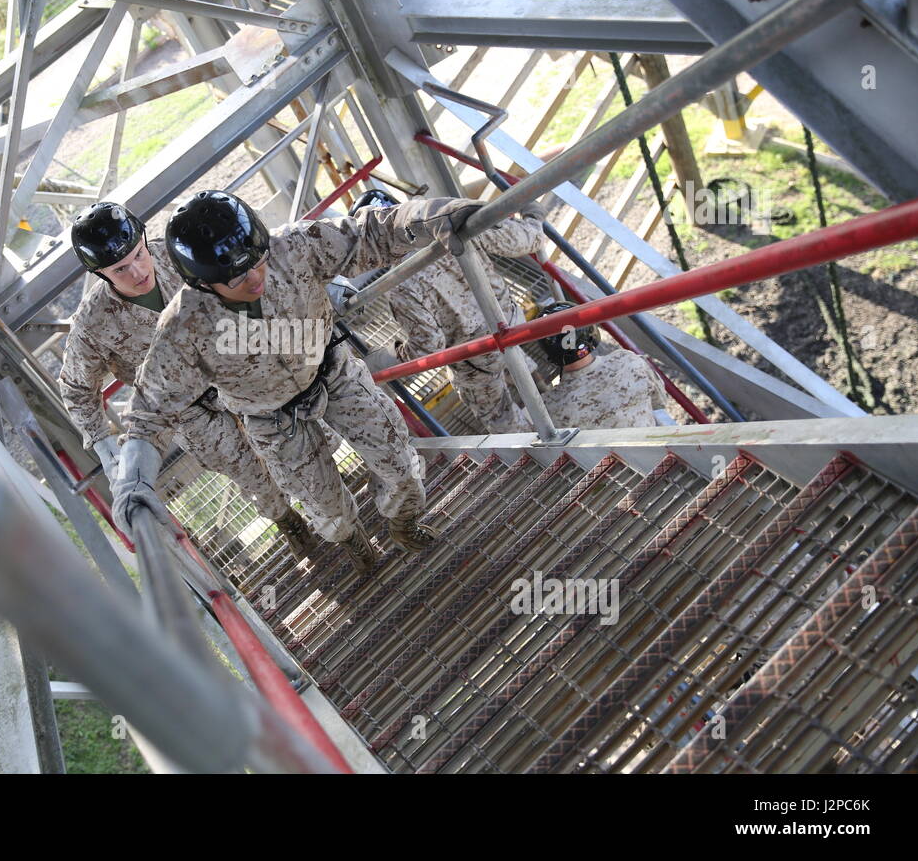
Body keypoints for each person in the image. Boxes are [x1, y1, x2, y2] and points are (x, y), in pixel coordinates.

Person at [110, 188, 512, 573]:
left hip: (333, 372)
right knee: (325, 507)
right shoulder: (184, 328)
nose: (254, 279)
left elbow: (372, 231)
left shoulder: (293, 246)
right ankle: (354, 542)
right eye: (235, 279)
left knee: (401, 466)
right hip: (273, 418)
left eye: (258, 261)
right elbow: (148, 414)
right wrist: (134, 481)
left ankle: (402, 524)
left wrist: (439, 215)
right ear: (201, 284)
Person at [56, 201, 324, 559]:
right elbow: (75, 388)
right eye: (121, 269)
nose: (137, 271)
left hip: (239, 375)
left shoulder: (179, 257)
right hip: (191, 414)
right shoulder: (94, 323)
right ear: (102, 274)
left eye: (139, 255)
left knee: (294, 443)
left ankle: (328, 507)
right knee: (250, 474)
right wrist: (105, 447)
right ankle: (288, 520)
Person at [351, 188, 546, 433]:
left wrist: (381, 360)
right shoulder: (453, 224)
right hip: (510, 325)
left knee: (497, 413)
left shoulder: (399, 283)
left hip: (473, 359)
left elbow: (428, 345)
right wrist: (532, 214)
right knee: (516, 361)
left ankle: (543, 452)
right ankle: (548, 400)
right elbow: (523, 240)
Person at [538, 302, 669, 429]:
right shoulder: (627, 361)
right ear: (589, 331)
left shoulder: (550, 406)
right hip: (657, 448)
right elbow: (660, 401)